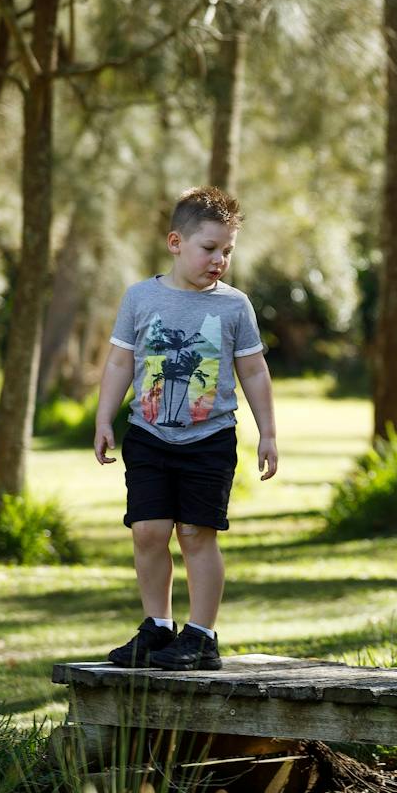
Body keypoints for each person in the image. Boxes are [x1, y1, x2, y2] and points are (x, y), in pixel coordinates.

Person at [93, 186, 278, 671]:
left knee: (197, 533)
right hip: (149, 436)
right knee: (149, 532)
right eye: (209, 249)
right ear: (176, 242)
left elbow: (254, 371)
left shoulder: (234, 306)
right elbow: (119, 363)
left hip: (209, 440)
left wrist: (268, 432)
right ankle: (157, 627)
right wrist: (103, 419)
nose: (219, 260)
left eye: (227, 251)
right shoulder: (141, 298)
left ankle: (201, 635)